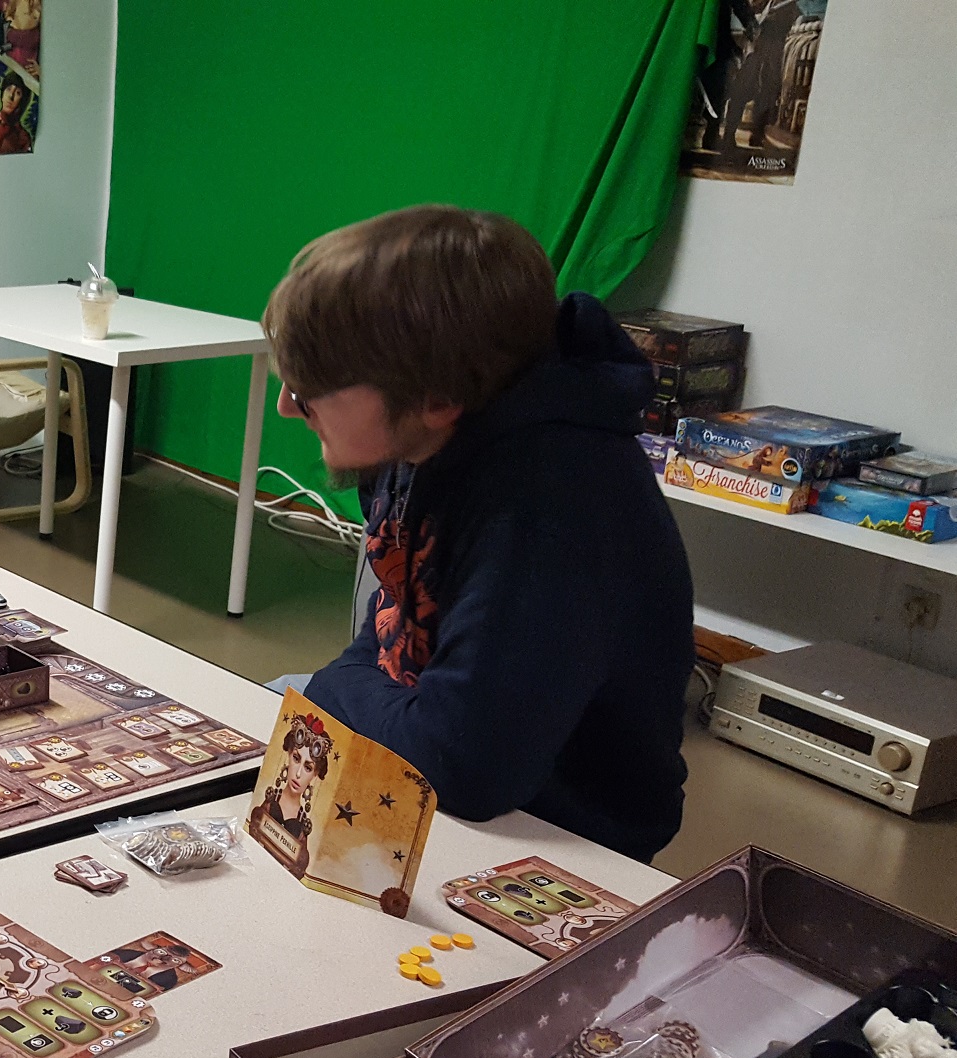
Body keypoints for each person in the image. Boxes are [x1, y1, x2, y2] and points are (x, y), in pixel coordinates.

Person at [263, 205, 694, 863]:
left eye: (308, 388)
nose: (286, 406)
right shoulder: (420, 436)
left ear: (437, 399)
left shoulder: (550, 507)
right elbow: (389, 618)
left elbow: (464, 766)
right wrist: (335, 686)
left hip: (555, 832)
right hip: (435, 738)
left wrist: (326, 691)